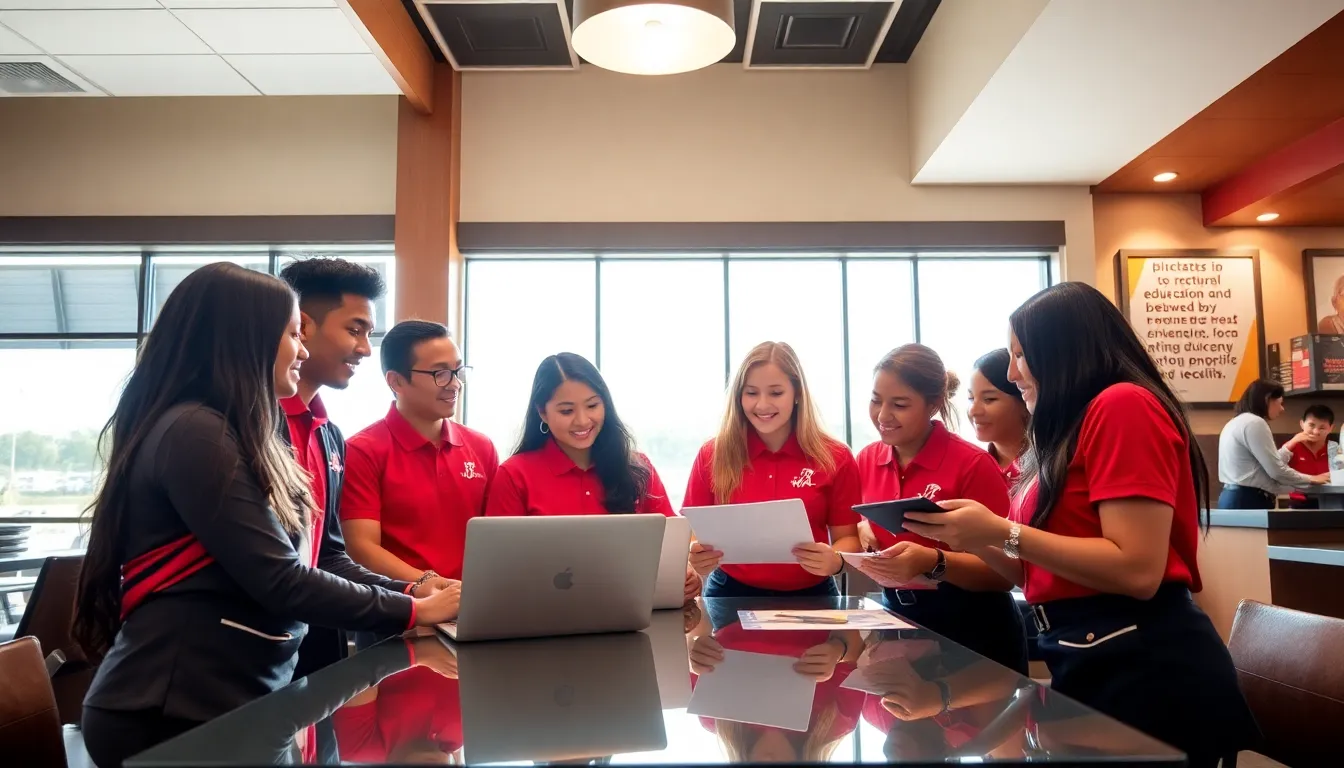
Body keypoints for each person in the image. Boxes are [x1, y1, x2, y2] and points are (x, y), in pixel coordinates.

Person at [73, 263, 461, 768]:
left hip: (241, 701)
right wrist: (413, 610)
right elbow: (280, 579)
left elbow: (322, 557)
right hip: (174, 712)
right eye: (292, 334)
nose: (302, 350)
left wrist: (411, 592)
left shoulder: (247, 433)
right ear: (245, 337)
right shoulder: (197, 432)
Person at [899, 282, 1257, 768]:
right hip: (1087, 658)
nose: (1012, 373)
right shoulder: (1065, 433)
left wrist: (999, 532)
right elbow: (1029, 571)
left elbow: (1137, 568)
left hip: (1144, 669)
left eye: (1020, 355)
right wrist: (971, 536)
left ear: (1063, 350)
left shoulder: (1123, 405)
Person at [852, 344, 1027, 673]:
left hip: (974, 629)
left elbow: (1008, 570)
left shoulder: (973, 464)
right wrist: (863, 529)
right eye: (876, 400)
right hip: (897, 622)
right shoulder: (866, 459)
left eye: (899, 405)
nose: (883, 415)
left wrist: (934, 561)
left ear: (933, 404)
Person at [484, 352, 698, 602]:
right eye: (567, 411)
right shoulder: (514, 475)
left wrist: (686, 576)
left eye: (592, 406)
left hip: (632, 613)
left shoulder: (638, 467)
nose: (583, 420)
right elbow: (497, 570)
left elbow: (671, 547)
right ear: (542, 412)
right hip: (541, 614)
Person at [340, 321, 498, 615]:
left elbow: (497, 538)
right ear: (396, 381)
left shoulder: (481, 447)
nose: (454, 383)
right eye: (440, 373)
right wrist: (426, 583)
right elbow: (360, 547)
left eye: (458, 371)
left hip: (473, 607)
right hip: (396, 611)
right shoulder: (361, 451)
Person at [685, 341, 862, 598]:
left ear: (797, 393)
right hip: (728, 591)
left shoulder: (835, 456)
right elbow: (693, 534)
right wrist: (696, 556)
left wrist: (836, 560)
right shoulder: (712, 454)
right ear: (739, 397)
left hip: (813, 593)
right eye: (751, 393)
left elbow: (849, 538)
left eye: (776, 393)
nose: (762, 405)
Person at [1217, 379, 1327, 509]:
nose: (1282, 409)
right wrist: (1312, 479)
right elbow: (1276, 471)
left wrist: (1290, 445)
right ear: (1267, 399)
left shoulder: (1236, 422)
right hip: (1248, 499)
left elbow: (1263, 466)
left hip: (1234, 496)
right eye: (1280, 403)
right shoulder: (1255, 423)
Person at [967, 348, 1030, 488]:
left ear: (1025, 401)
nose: (973, 410)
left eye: (989, 399)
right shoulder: (972, 468)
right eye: (971, 398)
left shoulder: (1049, 468)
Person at [1278, 404, 1340, 509]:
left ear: (1331, 428)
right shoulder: (1292, 446)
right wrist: (1292, 442)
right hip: (1298, 503)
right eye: (1311, 425)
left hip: (1330, 502)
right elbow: (1273, 467)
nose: (1316, 432)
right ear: (1302, 424)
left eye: (1322, 428)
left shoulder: (1334, 448)